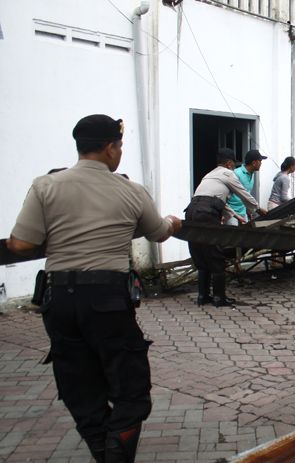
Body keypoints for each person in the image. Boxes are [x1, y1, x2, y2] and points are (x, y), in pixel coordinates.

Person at [6, 114, 182, 463]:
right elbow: (158, 232)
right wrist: (175, 222)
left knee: (79, 385)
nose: (119, 153)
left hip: (59, 301)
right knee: (131, 388)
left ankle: (103, 451)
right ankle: (116, 454)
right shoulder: (131, 190)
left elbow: (21, 245)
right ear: (108, 148)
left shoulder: (45, 186)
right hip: (108, 299)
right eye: (119, 146)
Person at [186, 148, 266, 307]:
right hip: (207, 214)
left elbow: (213, 199)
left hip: (191, 211)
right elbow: (243, 193)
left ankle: (203, 296)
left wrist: (235, 216)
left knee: (202, 255)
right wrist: (258, 208)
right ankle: (219, 298)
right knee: (216, 255)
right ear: (229, 164)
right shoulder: (229, 174)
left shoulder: (209, 175)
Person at [226, 149, 268, 225]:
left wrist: (249, 211)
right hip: (232, 213)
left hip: (243, 212)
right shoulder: (236, 173)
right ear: (254, 163)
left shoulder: (252, 174)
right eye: (260, 161)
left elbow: (246, 194)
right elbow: (227, 193)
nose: (261, 163)